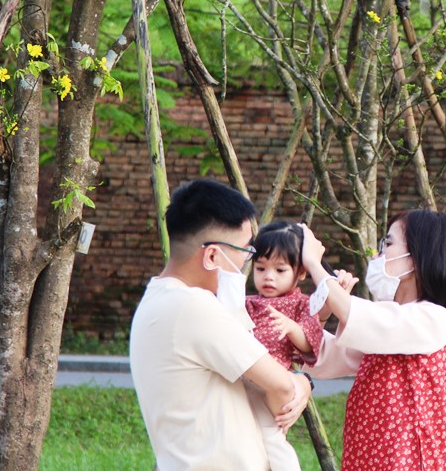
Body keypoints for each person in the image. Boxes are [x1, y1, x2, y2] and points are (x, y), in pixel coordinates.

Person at [128, 179, 312, 470]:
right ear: (212, 255)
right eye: (245, 252)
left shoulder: (157, 299)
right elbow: (281, 387)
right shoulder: (194, 308)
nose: (246, 263)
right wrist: (302, 382)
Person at [300, 209, 446, 471]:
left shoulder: (435, 319)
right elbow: (320, 357)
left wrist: (315, 265)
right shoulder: (390, 321)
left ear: (416, 258)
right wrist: (324, 311)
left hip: (407, 461)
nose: (377, 255)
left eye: (388, 244)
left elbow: (360, 316)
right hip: (367, 457)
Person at [245, 221, 356, 471]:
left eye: (280, 270)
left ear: (301, 273)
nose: (268, 276)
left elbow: (311, 344)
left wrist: (291, 327)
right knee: (253, 436)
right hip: (247, 376)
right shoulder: (248, 303)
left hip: (276, 380)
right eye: (260, 268)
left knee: (272, 436)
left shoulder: (302, 305)